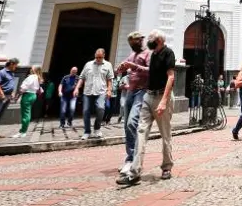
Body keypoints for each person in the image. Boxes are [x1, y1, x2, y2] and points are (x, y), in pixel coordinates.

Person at [117, 29, 175, 186]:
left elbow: (171, 77)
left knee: (165, 134)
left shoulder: (167, 53)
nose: (147, 40)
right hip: (148, 96)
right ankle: (134, 171)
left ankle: (166, 167)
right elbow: (149, 73)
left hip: (161, 96)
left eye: (150, 38)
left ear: (159, 40)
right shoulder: (153, 54)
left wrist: (164, 101)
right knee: (141, 132)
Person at [116, 31, 150, 175]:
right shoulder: (132, 55)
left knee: (132, 123)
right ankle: (129, 159)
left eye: (135, 41)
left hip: (142, 91)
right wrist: (121, 68)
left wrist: (134, 66)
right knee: (126, 125)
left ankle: (133, 159)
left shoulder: (148, 54)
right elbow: (127, 69)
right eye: (131, 42)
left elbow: (152, 71)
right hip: (130, 91)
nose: (133, 44)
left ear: (141, 40)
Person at [75, 48, 114, 140]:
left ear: (104, 55)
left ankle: (97, 128)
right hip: (87, 92)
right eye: (96, 57)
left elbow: (110, 79)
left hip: (101, 91)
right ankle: (87, 131)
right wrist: (77, 88)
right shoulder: (88, 64)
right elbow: (82, 77)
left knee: (101, 108)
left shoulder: (108, 65)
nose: (98, 59)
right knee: (85, 111)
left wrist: (109, 90)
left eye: (100, 57)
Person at [13, 65, 43, 138]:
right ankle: (22, 131)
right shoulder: (38, 78)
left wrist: (17, 96)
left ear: (34, 70)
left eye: (32, 68)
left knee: (25, 114)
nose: (30, 69)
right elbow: (40, 90)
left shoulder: (31, 77)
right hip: (33, 95)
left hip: (27, 95)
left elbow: (23, 88)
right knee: (27, 112)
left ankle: (23, 132)